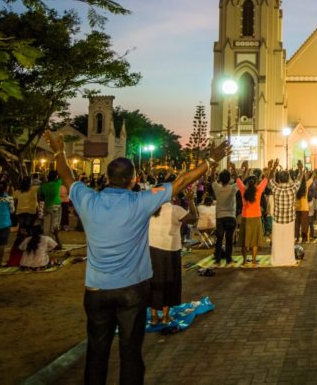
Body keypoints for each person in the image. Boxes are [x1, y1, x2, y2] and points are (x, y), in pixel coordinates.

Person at [44, 130, 230, 385]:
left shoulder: (88, 200)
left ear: (108, 178)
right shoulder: (140, 201)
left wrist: (58, 151)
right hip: (132, 290)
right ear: (133, 179)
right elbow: (180, 182)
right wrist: (211, 160)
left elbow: (67, 175)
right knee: (130, 353)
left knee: (97, 353)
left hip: (96, 290)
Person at [148, 181, 196, 325]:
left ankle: (154, 315)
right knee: (169, 282)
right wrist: (191, 201)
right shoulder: (175, 210)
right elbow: (193, 219)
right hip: (170, 251)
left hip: (151, 249)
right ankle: (165, 316)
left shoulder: (150, 209)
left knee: (154, 282)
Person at [236, 161, 274, 266]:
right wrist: (272, 167)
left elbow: (237, 179)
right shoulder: (259, 190)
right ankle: (253, 260)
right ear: (256, 182)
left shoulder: (243, 190)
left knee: (244, 241)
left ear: (247, 183)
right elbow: (267, 178)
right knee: (255, 241)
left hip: (245, 218)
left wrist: (238, 168)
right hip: (256, 218)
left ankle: (244, 261)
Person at [269, 160, 299, 266]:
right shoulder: (293, 188)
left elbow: (269, 179)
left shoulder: (275, 188)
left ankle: (277, 260)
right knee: (288, 242)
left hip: (277, 219)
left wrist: (273, 168)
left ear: (279, 179)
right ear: (288, 179)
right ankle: (288, 260)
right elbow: (299, 180)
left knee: (277, 242)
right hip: (290, 219)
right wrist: (300, 169)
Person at [211, 167, 237, 266]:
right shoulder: (233, 188)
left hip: (220, 217)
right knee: (229, 240)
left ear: (220, 179)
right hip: (230, 216)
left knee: (219, 240)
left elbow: (212, 180)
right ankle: (228, 259)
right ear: (229, 178)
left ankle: (217, 260)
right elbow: (240, 182)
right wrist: (234, 170)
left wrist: (213, 170)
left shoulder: (217, 188)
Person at [39, 170, 63, 248]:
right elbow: (62, 176)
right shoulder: (58, 183)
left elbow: (40, 196)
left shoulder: (43, 186)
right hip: (56, 206)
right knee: (55, 226)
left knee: (46, 227)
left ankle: (47, 243)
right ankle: (57, 244)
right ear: (56, 177)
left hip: (47, 206)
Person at [294, 165, 314, 244]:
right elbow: (312, 178)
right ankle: (304, 238)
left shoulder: (295, 186)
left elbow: (298, 180)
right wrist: (312, 173)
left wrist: (301, 170)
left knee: (297, 224)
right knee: (304, 224)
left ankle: (296, 237)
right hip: (304, 208)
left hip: (297, 207)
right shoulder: (306, 185)